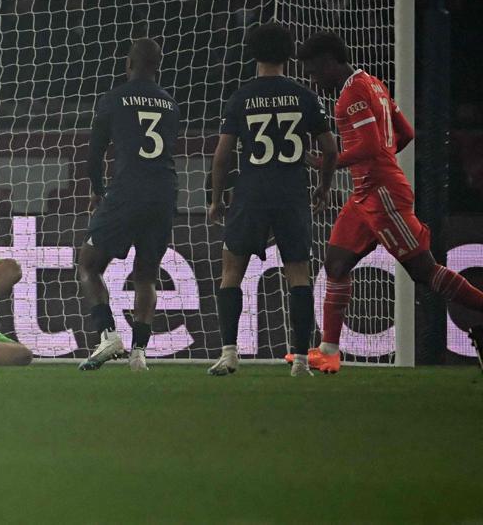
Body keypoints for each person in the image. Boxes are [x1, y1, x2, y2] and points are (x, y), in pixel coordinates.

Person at [299, 31, 483, 373]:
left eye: (313, 71)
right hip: (364, 194)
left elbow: (371, 146)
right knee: (336, 264)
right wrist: (377, 163)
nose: (313, 80)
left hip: (383, 195)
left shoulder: (350, 95)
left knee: (424, 272)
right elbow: (406, 134)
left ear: (328, 62)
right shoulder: (373, 83)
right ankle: (329, 351)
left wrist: (331, 161)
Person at [207, 23, 338, 377]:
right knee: (298, 274)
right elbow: (330, 148)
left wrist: (217, 199)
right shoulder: (303, 96)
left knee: (231, 271)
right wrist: (324, 186)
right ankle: (298, 360)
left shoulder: (241, 97)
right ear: (289, 54)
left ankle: (229, 353)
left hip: (251, 193)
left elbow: (222, 155)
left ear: (253, 53)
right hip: (291, 193)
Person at [77, 38, 178, 372]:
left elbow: (94, 153)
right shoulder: (169, 103)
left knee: (89, 263)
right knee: (146, 275)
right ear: (158, 67)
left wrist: (97, 189)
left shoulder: (113, 99)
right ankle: (139, 353)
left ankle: (107, 334)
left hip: (127, 190)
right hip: (163, 192)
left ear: (128, 64)